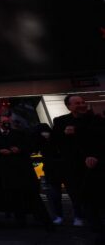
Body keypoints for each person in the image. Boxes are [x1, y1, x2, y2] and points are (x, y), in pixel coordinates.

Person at [51, 94, 105, 230]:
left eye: (83, 102)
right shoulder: (60, 121)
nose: (82, 105)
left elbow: (100, 137)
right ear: (69, 107)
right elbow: (54, 142)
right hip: (74, 170)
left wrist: (95, 156)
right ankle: (96, 229)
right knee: (84, 202)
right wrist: (64, 133)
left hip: (95, 167)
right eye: (77, 103)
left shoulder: (95, 119)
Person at [0, 115, 50, 226]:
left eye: (8, 121)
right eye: (4, 122)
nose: (6, 124)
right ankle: (20, 220)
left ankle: (41, 217)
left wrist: (19, 149)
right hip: (7, 169)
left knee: (32, 194)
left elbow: (29, 146)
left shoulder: (19, 133)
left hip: (23, 168)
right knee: (14, 196)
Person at [33, 123, 64, 224]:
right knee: (56, 193)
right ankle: (77, 215)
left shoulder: (40, 141)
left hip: (51, 168)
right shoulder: (56, 138)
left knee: (54, 194)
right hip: (58, 166)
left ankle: (58, 215)